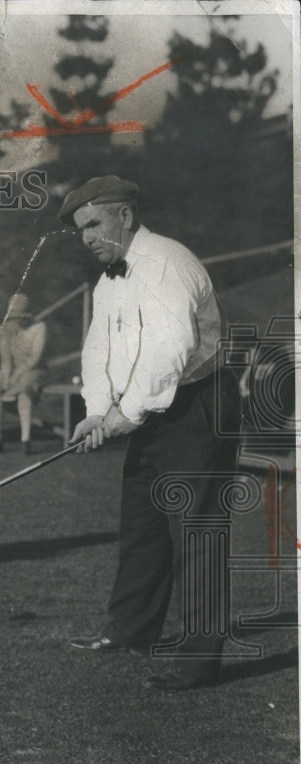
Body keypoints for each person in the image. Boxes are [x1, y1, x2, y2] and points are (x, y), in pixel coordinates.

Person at [60, 175, 241, 691]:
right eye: (80, 230)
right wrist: (97, 411)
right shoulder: (108, 280)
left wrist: (127, 413)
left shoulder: (164, 263)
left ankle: (199, 663)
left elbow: (169, 350)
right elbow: (100, 350)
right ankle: (131, 631)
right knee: (142, 521)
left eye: (94, 223)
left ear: (125, 215)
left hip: (201, 404)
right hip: (156, 408)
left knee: (197, 532)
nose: (87, 236)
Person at [0, 293, 47, 455]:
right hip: (13, 368)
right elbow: (5, 360)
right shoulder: (4, 329)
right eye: (13, 317)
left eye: (20, 317)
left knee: (24, 390)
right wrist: (6, 377)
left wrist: (17, 375)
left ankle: (26, 439)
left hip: (34, 369)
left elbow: (35, 358)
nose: (17, 321)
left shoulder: (39, 327)